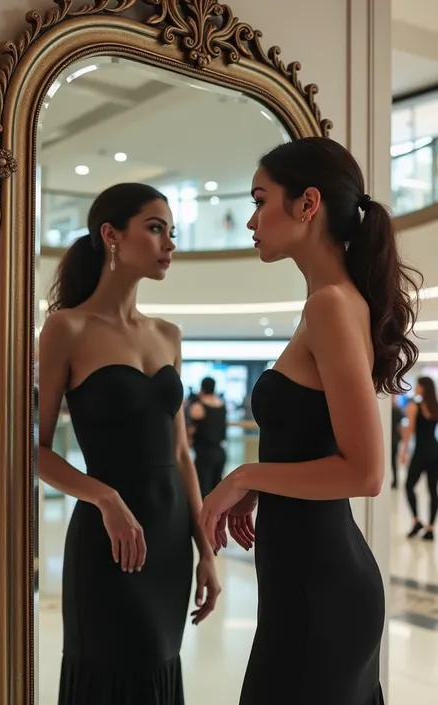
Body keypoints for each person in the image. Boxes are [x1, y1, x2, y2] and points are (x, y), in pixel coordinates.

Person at [199, 137, 422, 705]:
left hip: (320, 588)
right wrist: (263, 481)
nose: (250, 219)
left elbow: (365, 473)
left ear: (307, 204)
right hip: (305, 577)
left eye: (259, 199)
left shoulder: (331, 304)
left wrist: (246, 476)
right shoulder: (329, 302)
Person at [38, 183, 220, 705]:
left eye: (173, 232)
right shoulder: (66, 329)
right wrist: (105, 497)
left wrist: (204, 549)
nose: (170, 244)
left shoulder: (168, 334)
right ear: (111, 235)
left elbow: (181, 454)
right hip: (106, 539)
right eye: (156, 228)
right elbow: (35, 448)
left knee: (158, 667)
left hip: (166, 541)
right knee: (109, 672)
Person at [402, 376, 438, 541]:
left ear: (424, 387)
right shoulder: (435, 407)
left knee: (409, 485)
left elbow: (409, 430)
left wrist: (404, 450)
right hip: (435, 451)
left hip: (421, 452)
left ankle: (416, 521)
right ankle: (430, 528)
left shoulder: (414, 406)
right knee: (432, 490)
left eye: (418, 385)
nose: (415, 387)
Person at [189, 377, 227, 497]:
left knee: (202, 490)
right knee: (217, 490)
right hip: (220, 451)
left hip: (204, 453)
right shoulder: (222, 405)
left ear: (202, 388)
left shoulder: (198, 406)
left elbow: (191, 430)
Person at [391, 396, 404, 489]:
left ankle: (395, 481)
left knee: (392, 461)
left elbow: (400, 426)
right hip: (395, 438)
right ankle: (395, 481)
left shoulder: (395, 410)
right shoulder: (397, 410)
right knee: (393, 461)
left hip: (393, 438)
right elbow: (400, 426)